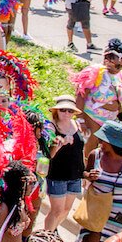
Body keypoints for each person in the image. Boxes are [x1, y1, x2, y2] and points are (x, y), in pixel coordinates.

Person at [43, 96, 86, 232]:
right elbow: (49, 155)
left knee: (66, 210)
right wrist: (59, 144)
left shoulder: (77, 125)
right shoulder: (51, 127)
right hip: (57, 175)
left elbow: (81, 150)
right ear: (56, 111)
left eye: (70, 111)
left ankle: (52, 233)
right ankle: (46, 235)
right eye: (63, 110)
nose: (67, 114)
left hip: (75, 174)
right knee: (56, 210)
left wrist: (84, 172)